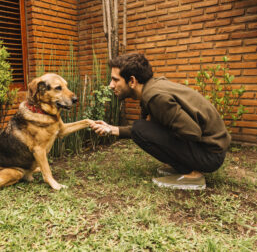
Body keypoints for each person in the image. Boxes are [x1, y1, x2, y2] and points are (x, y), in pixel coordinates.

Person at [90, 53, 231, 190]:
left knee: (140, 129)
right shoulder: (153, 87)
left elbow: (192, 132)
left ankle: (192, 175)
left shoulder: (156, 97)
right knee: (141, 128)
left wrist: (163, 134)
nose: (111, 85)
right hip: (211, 150)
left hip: (210, 155)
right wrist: (112, 129)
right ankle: (186, 167)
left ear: (132, 81)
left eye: (115, 80)